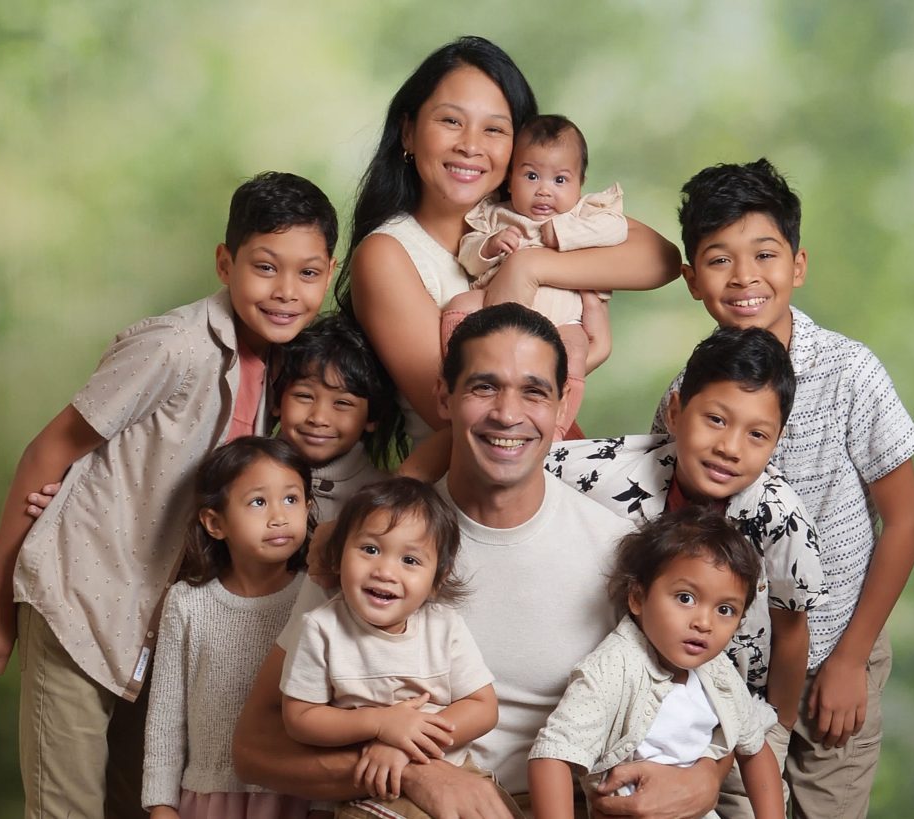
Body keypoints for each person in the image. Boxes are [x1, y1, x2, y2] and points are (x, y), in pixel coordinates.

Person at [233, 303, 727, 819]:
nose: (507, 414)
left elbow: (717, 696)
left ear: (562, 407)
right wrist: (416, 774)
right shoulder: (372, 548)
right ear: (444, 397)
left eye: (533, 391)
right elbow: (255, 747)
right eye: (484, 387)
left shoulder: (618, 550)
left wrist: (705, 778)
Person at [0, 171, 337, 818]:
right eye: (265, 267)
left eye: (308, 273)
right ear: (226, 263)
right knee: (68, 807)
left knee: (142, 800)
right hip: (81, 600)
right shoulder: (173, 347)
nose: (286, 291)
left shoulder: (289, 362)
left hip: (160, 621)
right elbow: (48, 450)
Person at [651, 158, 914, 818]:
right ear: (692, 279)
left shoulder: (849, 373)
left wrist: (851, 660)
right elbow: (668, 527)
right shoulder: (687, 396)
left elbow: (906, 521)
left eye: (764, 254)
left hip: (840, 643)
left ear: (798, 265)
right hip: (731, 665)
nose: (744, 276)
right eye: (719, 259)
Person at [333, 35, 680, 449]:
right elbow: (453, 414)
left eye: (495, 129)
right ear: (408, 133)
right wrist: (586, 353)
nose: (470, 145)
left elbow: (661, 258)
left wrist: (530, 267)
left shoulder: (532, 211)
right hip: (472, 473)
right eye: (451, 121)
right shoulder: (388, 253)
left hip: (551, 457)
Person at [546, 326, 827, 815]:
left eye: (756, 435)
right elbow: (520, 451)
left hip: (730, 713)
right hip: (625, 704)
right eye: (715, 419)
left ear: (776, 441)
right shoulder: (608, 471)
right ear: (676, 412)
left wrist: (775, 732)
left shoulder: (782, 520)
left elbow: (791, 631)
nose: (730, 447)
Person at [529, 508, 785, 819]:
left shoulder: (717, 669)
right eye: (685, 598)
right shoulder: (613, 668)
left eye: (725, 610)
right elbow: (551, 756)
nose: (704, 623)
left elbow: (755, 749)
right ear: (637, 598)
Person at [281, 477, 510, 818]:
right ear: (338, 554)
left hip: (453, 770)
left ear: (438, 579)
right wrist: (380, 725)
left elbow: (483, 707)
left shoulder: (444, 626)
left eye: (410, 560)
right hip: (365, 787)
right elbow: (300, 719)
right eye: (370, 550)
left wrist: (407, 743)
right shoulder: (321, 629)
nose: (385, 571)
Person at [143, 437, 314, 819]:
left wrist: (322, 806)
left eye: (291, 499)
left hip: (294, 796)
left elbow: (330, 705)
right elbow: (166, 716)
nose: (279, 517)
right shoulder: (187, 602)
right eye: (258, 502)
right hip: (207, 799)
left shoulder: (315, 597)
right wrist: (161, 804)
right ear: (215, 523)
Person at [443, 113, 627, 438]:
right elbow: (468, 255)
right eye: (531, 176)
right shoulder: (497, 215)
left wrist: (566, 235)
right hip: (498, 305)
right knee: (460, 303)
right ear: (509, 179)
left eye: (560, 180)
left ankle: (555, 430)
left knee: (574, 353)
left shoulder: (583, 214)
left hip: (565, 319)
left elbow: (617, 228)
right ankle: (455, 375)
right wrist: (489, 246)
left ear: (580, 183)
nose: (544, 191)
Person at [274, 313, 402, 520]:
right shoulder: (246, 472)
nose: (318, 418)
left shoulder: (382, 498)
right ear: (276, 401)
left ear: (372, 417)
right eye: (304, 396)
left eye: (342, 403)